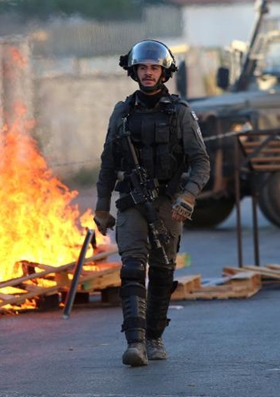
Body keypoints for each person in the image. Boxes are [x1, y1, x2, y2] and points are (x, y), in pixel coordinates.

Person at [94, 40, 210, 366]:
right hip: (131, 201)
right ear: (134, 71)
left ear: (164, 72)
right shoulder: (122, 113)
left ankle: (154, 337)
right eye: (142, 68)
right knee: (132, 268)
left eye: (154, 68)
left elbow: (201, 162)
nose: (148, 73)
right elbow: (107, 164)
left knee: (162, 272)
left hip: (168, 202)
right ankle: (135, 343)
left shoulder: (181, 113)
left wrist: (187, 196)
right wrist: (102, 207)